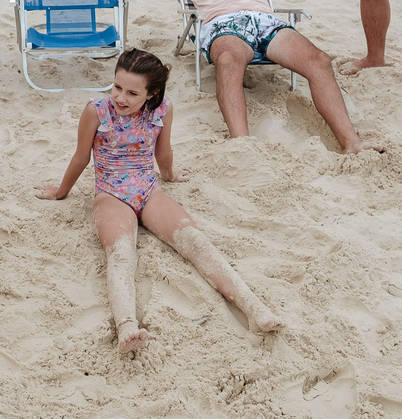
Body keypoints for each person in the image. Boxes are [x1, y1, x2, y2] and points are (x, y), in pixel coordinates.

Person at [36, 48, 284, 353]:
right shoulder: (96, 111)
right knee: (122, 254)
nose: (120, 98)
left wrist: (168, 174)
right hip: (111, 193)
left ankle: (255, 309)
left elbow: (162, 152)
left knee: (194, 241)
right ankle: (127, 325)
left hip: (148, 189)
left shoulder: (162, 110)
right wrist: (61, 191)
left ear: (151, 94)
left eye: (131, 92)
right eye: (117, 87)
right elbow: (80, 158)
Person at [139, 0, 386, 154]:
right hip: (224, 22)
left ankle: (351, 142)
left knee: (319, 60)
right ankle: (244, 145)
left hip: (265, 21)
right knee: (229, 59)